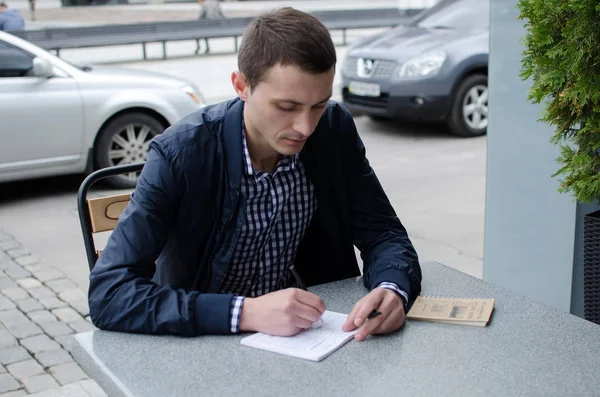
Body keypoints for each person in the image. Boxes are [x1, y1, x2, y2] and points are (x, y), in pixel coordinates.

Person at [88, 7, 422, 342]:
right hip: (202, 340)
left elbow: (383, 234)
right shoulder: (181, 154)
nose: (305, 127)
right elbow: (110, 293)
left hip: (305, 337)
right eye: (287, 107)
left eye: (318, 105)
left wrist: (393, 287)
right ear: (241, 86)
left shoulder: (333, 129)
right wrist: (246, 312)